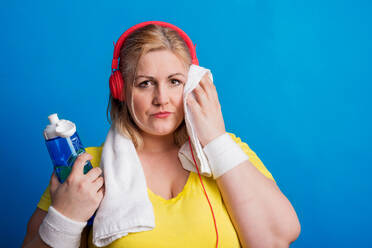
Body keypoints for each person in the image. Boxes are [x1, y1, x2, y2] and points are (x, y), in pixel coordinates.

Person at [22, 21, 301, 248]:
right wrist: (66, 218)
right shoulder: (84, 170)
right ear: (121, 91)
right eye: (145, 84)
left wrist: (216, 140)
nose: (162, 98)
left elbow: (276, 239)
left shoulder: (227, 153)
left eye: (175, 82)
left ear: (192, 85)